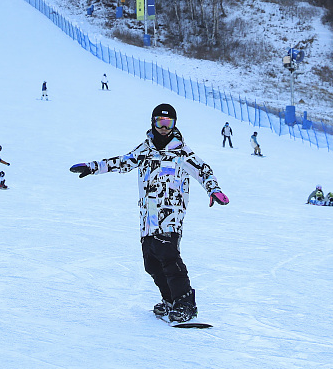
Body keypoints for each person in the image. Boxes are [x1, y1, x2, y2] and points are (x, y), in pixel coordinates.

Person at [70, 103, 229, 324]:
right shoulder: (145, 150)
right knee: (151, 261)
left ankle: (186, 304)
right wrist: (92, 167)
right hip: (149, 215)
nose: (164, 128)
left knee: (168, 255)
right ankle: (170, 300)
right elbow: (122, 162)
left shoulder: (181, 152)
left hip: (171, 212)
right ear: (153, 123)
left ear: (174, 125)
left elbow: (203, 170)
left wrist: (214, 189)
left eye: (168, 123)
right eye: (160, 123)